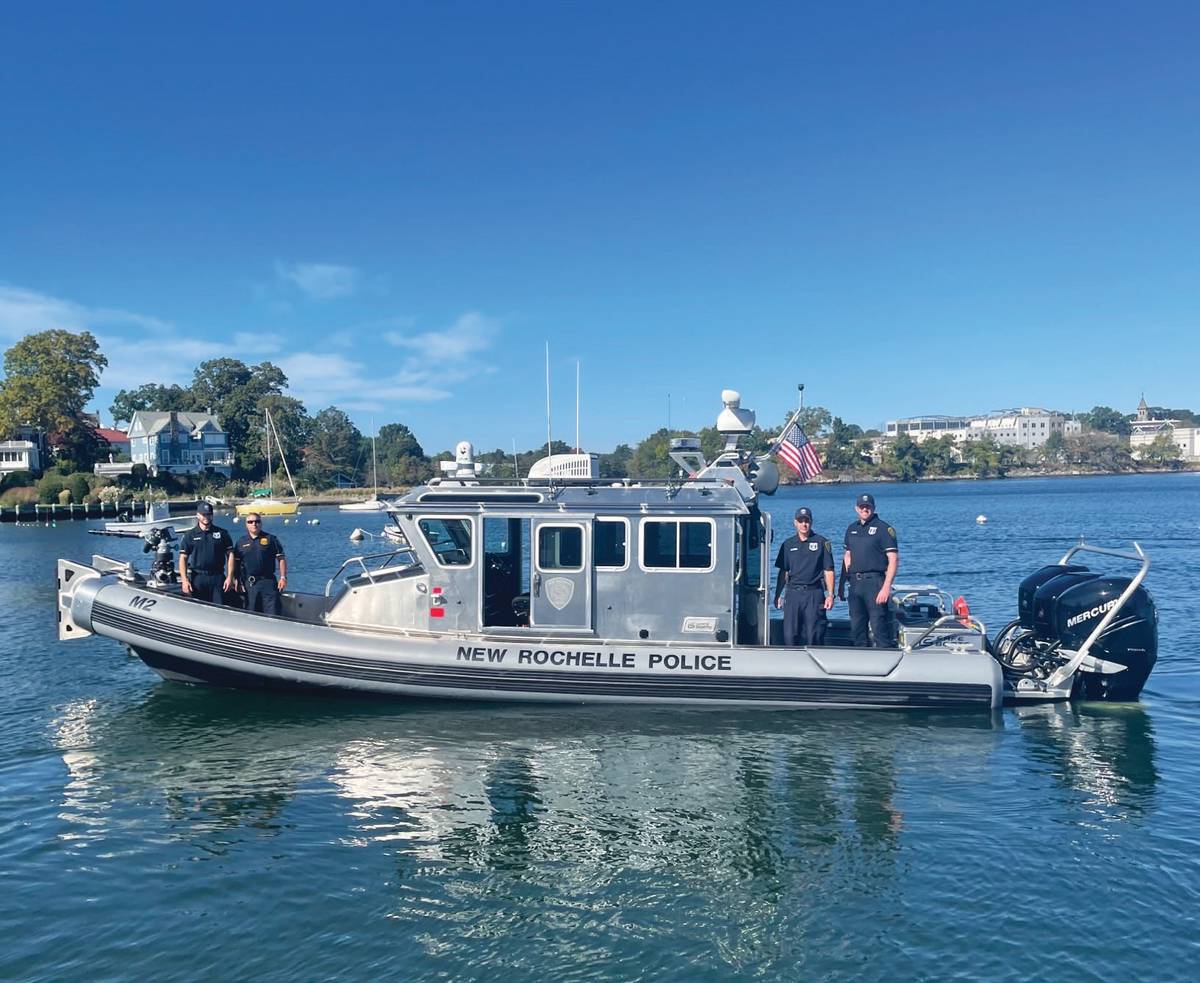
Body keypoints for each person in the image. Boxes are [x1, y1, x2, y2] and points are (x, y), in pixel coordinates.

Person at [841, 493, 898, 647]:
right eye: (862, 506)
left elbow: (893, 559)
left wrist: (886, 587)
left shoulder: (884, 529)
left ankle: (885, 659)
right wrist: (847, 579)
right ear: (856, 508)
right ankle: (861, 662)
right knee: (857, 627)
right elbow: (847, 555)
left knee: (879, 626)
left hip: (875, 583)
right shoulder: (851, 529)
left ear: (874, 507)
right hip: (855, 584)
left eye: (868, 506)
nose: (865, 509)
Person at [774, 507, 836, 646]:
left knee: (814, 635)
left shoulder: (822, 543)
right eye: (800, 521)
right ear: (795, 522)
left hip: (814, 594)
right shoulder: (788, 544)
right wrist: (778, 594)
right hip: (793, 594)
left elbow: (829, 571)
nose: (804, 524)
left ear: (811, 522)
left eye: (806, 521)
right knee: (790, 635)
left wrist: (830, 595)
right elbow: (783, 572)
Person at [179, 501, 235, 604]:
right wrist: (184, 580)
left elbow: (230, 555)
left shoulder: (222, 533)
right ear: (198, 515)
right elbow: (183, 558)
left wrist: (230, 577)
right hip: (198, 578)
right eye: (203, 514)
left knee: (219, 609)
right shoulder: (190, 535)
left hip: (217, 577)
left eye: (209, 514)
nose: (206, 517)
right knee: (199, 609)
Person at [236, 512, 288, 615]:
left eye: (257, 521)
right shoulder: (240, 542)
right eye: (250, 522)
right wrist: (237, 580)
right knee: (252, 615)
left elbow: (281, 559)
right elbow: (236, 563)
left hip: (268, 582)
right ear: (246, 524)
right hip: (250, 584)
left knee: (273, 614)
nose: (254, 524)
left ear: (261, 523)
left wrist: (283, 577)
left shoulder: (271, 539)